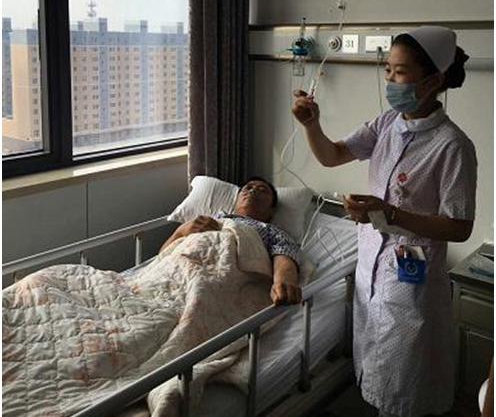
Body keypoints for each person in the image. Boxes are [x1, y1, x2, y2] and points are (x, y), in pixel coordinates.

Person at [292, 26, 477, 417]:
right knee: (378, 377)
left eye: (401, 72)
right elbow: (332, 155)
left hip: (412, 282)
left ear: (433, 80)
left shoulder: (453, 146)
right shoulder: (387, 123)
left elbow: (459, 226)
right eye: (387, 69)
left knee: (406, 384)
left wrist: (389, 213)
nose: (390, 80)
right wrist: (311, 125)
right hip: (372, 269)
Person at [160, 177, 302, 306]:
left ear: (272, 210)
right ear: (237, 200)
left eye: (262, 190)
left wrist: (283, 281)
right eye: (248, 188)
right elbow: (162, 255)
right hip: (173, 273)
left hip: (217, 278)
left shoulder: (272, 232)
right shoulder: (207, 220)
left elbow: (284, 257)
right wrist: (181, 231)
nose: (252, 191)